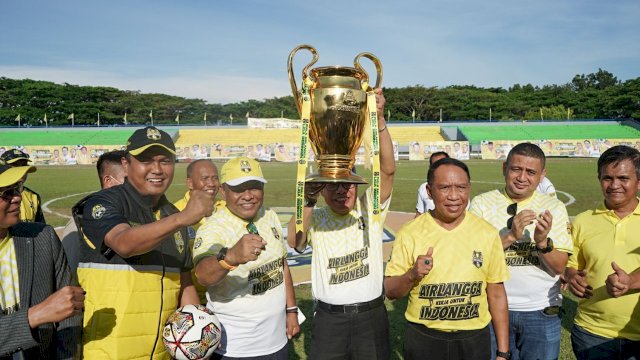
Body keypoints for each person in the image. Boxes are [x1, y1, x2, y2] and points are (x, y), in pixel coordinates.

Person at [73, 126, 214, 359]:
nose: (157, 169)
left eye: (165, 161)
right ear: (126, 165)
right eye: (146, 160)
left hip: (161, 353)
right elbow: (124, 243)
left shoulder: (172, 214)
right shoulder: (102, 202)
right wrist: (182, 218)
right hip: (109, 353)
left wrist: (199, 336)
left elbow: (184, 283)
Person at [288, 88, 395, 359]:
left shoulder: (368, 209)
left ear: (357, 186)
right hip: (329, 319)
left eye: (348, 185)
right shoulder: (318, 216)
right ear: (323, 190)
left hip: (370, 316)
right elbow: (295, 242)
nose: (341, 192)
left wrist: (379, 121)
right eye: (333, 186)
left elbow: (388, 170)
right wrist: (307, 202)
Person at [385, 158, 510, 360]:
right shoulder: (410, 232)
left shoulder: (486, 233)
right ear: (429, 191)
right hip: (424, 338)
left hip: (473, 340)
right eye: (444, 187)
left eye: (461, 187)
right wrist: (412, 275)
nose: (454, 196)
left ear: (469, 189)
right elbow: (390, 290)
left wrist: (503, 352)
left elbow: (496, 294)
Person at [469, 142, 572, 360]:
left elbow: (558, 266)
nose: (522, 177)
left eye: (531, 172)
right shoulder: (481, 204)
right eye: (516, 169)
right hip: (491, 310)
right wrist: (510, 237)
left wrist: (542, 243)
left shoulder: (553, 208)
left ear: (542, 175)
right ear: (504, 167)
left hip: (541, 312)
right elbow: (473, 260)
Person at [193, 156, 299, 359]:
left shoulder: (269, 215)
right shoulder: (213, 228)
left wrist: (292, 310)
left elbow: (282, 265)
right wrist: (230, 257)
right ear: (223, 191)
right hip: (235, 349)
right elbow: (203, 275)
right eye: (239, 189)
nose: (248, 195)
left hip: (277, 342)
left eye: (255, 187)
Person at [0, 163, 84, 359]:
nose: (18, 197)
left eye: (17, 189)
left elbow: (69, 312)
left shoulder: (42, 237)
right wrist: (35, 315)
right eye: (6, 194)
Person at [565, 145, 640, 359]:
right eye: (607, 178)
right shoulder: (583, 220)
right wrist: (571, 276)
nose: (614, 185)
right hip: (591, 332)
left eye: (623, 178)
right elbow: (572, 265)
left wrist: (630, 282)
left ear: (639, 181)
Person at [61, 150, 126, 274]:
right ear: (108, 181)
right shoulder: (79, 223)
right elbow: (68, 272)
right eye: (128, 179)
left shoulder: (142, 214)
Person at [174, 159, 221, 304]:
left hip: (226, 298)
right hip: (191, 300)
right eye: (205, 178)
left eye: (215, 178)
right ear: (190, 183)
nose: (212, 183)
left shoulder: (227, 208)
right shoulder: (175, 213)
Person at [0, 149, 46, 223]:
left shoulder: (34, 196)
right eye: (15, 165)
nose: (21, 169)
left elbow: (40, 226)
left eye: (24, 165)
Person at [415, 151, 450, 217]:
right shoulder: (423, 187)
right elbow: (419, 213)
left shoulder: (458, 187)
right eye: (435, 165)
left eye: (443, 164)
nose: (439, 168)